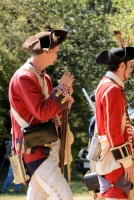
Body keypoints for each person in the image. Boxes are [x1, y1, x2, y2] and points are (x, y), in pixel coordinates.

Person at [8, 29, 74, 199]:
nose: (56, 56)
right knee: (64, 196)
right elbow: (42, 112)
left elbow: (54, 114)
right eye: (56, 51)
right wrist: (62, 90)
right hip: (36, 149)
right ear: (47, 51)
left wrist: (65, 94)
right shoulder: (24, 77)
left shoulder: (44, 78)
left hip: (46, 145)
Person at [94, 41, 134, 199]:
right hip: (115, 161)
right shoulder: (112, 89)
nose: (131, 70)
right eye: (130, 66)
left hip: (111, 157)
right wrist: (127, 161)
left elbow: (118, 123)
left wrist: (132, 132)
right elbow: (112, 130)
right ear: (122, 66)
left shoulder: (105, 85)